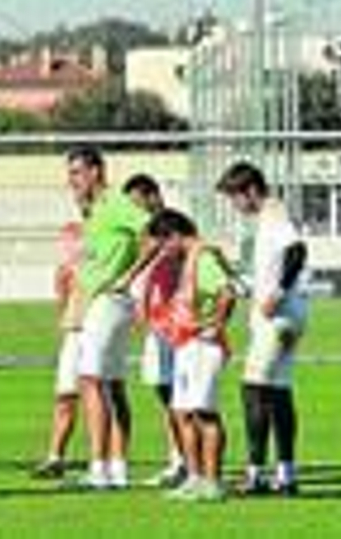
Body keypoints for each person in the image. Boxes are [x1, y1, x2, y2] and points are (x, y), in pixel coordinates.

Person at [217, 162, 310, 496]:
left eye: (235, 197)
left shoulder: (274, 213)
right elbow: (271, 269)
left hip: (281, 315)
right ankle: (286, 475)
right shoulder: (270, 218)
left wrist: (277, 293)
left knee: (253, 389)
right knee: (277, 391)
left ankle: (256, 474)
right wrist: (244, 286)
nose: (235, 206)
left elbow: (298, 252)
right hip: (287, 314)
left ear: (251, 190)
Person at [64, 148, 151, 490]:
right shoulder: (96, 210)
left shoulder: (117, 203)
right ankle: (117, 468)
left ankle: (98, 468)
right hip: (100, 302)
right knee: (112, 384)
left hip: (109, 301)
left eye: (77, 172)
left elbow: (151, 234)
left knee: (90, 381)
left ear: (96, 172)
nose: (72, 181)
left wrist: (130, 274)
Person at [142, 210, 235, 503]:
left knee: (205, 413)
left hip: (203, 345)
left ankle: (213, 481)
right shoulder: (187, 258)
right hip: (185, 343)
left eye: (163, 244)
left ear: (175, 235)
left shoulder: (203, 257)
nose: (163, 252)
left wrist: (216, 324)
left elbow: (227, 293)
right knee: (183, 412)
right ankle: (195, 478)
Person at [122, 175, 188, 488]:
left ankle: (186, 461)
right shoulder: (146, 232)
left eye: (137, 201)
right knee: (165, 394)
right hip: (155, 324)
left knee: (177, 394)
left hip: (173, 325)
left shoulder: (169, 230)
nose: (135, 209)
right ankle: (178, 458)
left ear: (153, 196)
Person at [33, 209, 86, 480]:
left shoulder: (103, 247)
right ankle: (55, 457)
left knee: (101, 397)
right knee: (65, 395)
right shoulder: (69, 254)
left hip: (97, 329)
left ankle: (110, 461)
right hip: (74, 330)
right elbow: (62, 289)